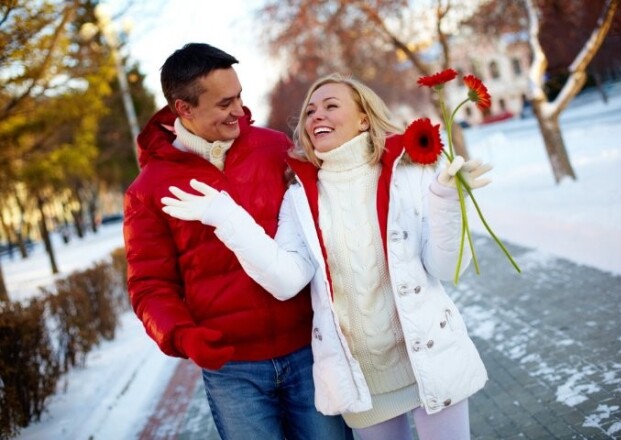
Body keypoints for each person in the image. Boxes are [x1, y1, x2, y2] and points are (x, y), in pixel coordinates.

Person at [161, 73, 491, 440]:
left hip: (430, 357)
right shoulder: (300, 197)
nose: (317, 115)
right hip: (363, 380)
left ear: (363, 118)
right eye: (310, 111)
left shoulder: (408, 171)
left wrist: (447, 202)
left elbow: (447, 267)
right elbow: (287, 280)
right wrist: (226, 216)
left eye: (331, 106)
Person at [122, 44, 351, 440]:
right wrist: (181, 335)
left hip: (309, 350)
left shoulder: (274, 148)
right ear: (184, 109)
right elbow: (149, 286)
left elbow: (340, 195)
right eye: (225, 103)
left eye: (240, 96)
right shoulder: (148, 190)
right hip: (233, 372)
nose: (239, 111)